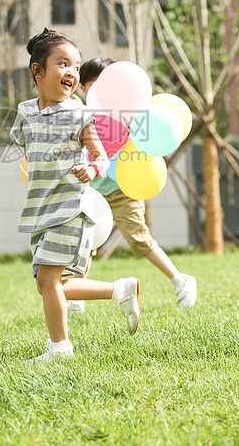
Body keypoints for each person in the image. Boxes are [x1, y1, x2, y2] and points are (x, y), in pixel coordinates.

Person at [10, 29, 140, 363]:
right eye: (63, 63)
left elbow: (100, 156)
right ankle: (118, 290)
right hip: (42, 208)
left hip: (71, 207)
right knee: (47, 283)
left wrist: (92, 170)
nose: (72, 72)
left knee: (48, 279)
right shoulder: (25, 111)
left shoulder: (80, 114)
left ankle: (60, 348)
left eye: (76, 67)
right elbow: (26, 150)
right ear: (38, 71)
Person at [66, 57, 197, 312]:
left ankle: (180, 280)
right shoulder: (82, 114)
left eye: (107, 83)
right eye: (94, 84)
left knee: (138, 238)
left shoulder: (128, 115)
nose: (102, 90)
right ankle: (77, 295)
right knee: (86, 241)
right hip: (93, 188)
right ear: (83, 89)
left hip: (123, 186)